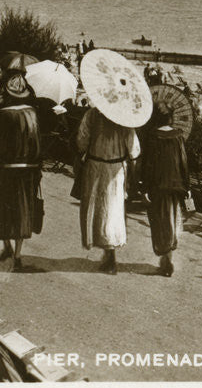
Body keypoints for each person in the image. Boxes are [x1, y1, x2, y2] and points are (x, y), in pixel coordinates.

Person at [0, 73, 43, 272]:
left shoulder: (3, 114)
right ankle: (17, 254)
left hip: (7, 170)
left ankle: (7, 247)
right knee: (23, 211)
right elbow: (38, 145)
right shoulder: (33, 113)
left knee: (3, 210)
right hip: (28, 171)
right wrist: (38, 170)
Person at [76, 105, 141, 275]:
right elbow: (134, 149)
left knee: (96, 209)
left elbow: (82, 139)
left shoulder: (92, 115)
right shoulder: (125, 119)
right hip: (116, 169)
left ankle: (106, 252)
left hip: (95, 165)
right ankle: (110, 252)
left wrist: (84, 151)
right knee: (112, 210)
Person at [139, 105, 190, 277]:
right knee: (171, 219)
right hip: (175, 185)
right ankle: (169, 255)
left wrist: (144, 187)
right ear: (171, 118)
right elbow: (183, 163)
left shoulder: (152, 136)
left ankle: (163, 254)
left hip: (157, 186)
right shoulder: (178, 136)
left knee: (159, 221)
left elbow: (147, 165)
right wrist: (187, 186)